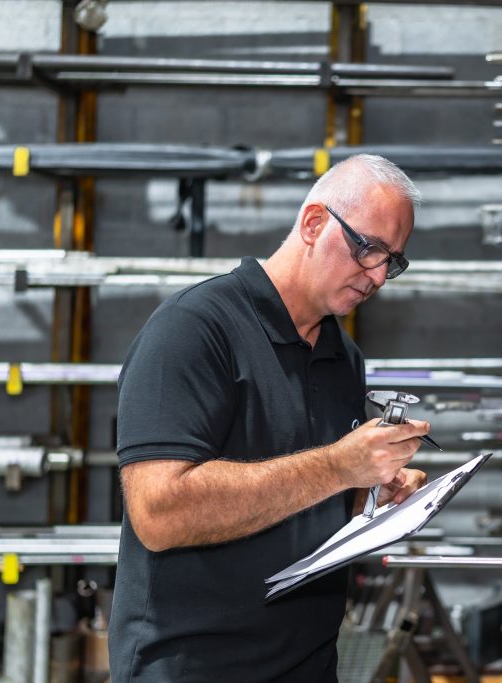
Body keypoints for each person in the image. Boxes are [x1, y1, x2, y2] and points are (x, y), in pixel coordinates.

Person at [109, 154, 430, 682]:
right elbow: (159, 513)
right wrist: (337, 467)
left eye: (391, 261)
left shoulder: (342, 356)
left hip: (308, 664)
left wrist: (372, 492)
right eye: (368, 248)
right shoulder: (194, 329)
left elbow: (309, 497)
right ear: (314, 223)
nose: (377, 276)